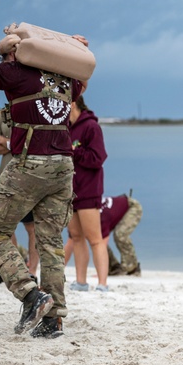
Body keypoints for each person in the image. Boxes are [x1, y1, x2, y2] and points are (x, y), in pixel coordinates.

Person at [0, 29, 89, 339]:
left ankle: (30, 295)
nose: (3, 58)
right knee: (51, 243)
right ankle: (53, 320)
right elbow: (85, 78)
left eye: (6, 55)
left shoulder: (15, 72)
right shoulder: (65, 78)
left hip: (32, 164)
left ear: (16, 52)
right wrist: (76, 50)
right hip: (63, 167)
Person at [0, 106, 38, 280]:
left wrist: (5, 142)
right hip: (4, 180)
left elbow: (33, 145)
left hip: (27, 181)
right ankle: (11, 270)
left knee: (31, 227)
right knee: (3, 227)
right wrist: (14, 144)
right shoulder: (2, 114)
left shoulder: (32, 109)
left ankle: (32, 273)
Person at [65, 94, 109, 292]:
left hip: (89, 190)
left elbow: (98, 158)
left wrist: (74, 151)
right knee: (75, 237)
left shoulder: (91, 126)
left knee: (95, 239)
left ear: (72, 103)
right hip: (70, 192)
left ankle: (102, 284)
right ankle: (81, 281)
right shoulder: (65, 128)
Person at [101, 192, 142, 276]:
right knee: (96, 240)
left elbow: (102, 242)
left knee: (120, 234)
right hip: (116, 211)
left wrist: (102, 271)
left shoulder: (102, 219)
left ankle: (132, 267)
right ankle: (114, 267)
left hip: (132, 207)